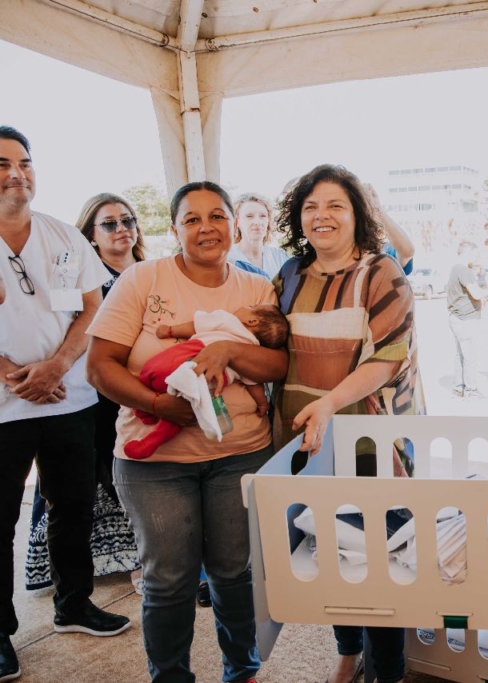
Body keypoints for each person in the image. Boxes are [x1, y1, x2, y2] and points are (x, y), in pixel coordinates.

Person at [86, 180, 288, 682]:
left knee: (234, 572)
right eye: (191, 219)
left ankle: (243, 670)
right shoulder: (142, 279)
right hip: (155, 464)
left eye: (216, 216)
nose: (206, 228)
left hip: (240, 454)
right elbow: (100, 366)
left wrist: (229, 351)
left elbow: (278, 364)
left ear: (233, 225)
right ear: (174, 229)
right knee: (169, 581)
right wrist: (159, 405)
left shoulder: (256, 287)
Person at [273, 164, 423, 683]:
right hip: (309, 441)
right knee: (328, 552)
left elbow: (389, 357)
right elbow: (275, 345)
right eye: (311, 207)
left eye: (335, 205)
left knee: (378, 560)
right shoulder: (289, 274)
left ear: (358, 214)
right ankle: (347, 649)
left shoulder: (382, 272)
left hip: (371, 441)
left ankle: (388, 670)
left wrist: (331, 402)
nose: (322, 216)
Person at [0, 127, 132, 683]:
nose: (17, 173)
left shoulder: (62, 236)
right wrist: (12, 375)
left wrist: (56, 367)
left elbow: (92, 307)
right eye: (2, 164)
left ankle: (74, 603)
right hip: (4, 407)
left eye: (25, 162)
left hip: (68, 399)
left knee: (73, 507)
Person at [25, 193, 145, 595]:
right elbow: (69, 327)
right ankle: (110, 564)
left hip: (144, 385)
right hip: (95, 391)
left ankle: (142, 555)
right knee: (96, 475)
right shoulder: (78, 274)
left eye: (128, 220)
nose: (122, 229)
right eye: (109, 223)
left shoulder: (151, 271)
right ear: (91, 235)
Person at [119, 305, 288, 460]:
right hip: (204, 383)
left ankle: (143, 412)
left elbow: (195, 326)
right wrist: (262, 403)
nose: (246, 306)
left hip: (190, 354)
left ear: (252, 321)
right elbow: (254, 384)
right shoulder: (253, 352)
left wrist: (170, 331)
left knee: (150, 371)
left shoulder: (228, 320)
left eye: (251, 307)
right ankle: (150, 442)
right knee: (181, 412)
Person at [447, 241, 488, 399]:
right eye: (475, 255)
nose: (476, 258)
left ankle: (458, 388)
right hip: (465, 319)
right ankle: (471, 390)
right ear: (468, 253)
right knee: (470, 356)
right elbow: (476, 293)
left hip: (457, 318)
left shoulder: (455, 269)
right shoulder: (464, 270)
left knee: (460, 355)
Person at [228, 193, 289, 279]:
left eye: (263, 216)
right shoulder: (227, 258)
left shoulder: (280, 256)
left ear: (268, 221)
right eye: (249, 216)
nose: (257, 222)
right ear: (237, 222)